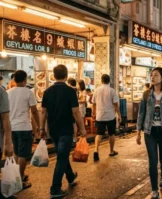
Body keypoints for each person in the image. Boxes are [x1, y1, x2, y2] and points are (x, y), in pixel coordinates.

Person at [40, 64, 86, 198]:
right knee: (61, 157)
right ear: (66, 76)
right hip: (66, 130)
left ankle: (71, 177)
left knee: (62, 154)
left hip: (53, 130)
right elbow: (76, 112)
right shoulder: (71, 91)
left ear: (53, 76)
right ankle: (55, 189)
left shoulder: (47, 91)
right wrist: (82, 128)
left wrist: (42, 129)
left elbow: (43, 112)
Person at [136, 67, 162, 199]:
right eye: (151, 75)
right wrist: (138, 132)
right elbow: (141, 113)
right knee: (152, 161)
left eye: (155, 75)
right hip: (150, 132)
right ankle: (154, 190)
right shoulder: (146, 94)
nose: (152, 77)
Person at [7, 70, 40, 189]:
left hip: (12, 127)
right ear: (25, 80)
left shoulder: (8, 92)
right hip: (24, 127)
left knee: (16, 153)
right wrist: (38, 126)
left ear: (14, 80)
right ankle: (20, 180)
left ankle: (17, 176)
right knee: (23, 155)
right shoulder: (28, 92)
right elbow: (34, 111)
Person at [92, 74, 122, 161]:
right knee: (111, 134)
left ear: (101, 80)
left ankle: (96, 150)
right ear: (109, 81)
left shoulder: (96, 90)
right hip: (110, 116)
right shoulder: (112, 91)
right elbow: (116, 105)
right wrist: (119, 115)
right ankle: (111, 151)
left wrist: (94, 113)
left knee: (99, 134)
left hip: (100, 116)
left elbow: (94, 103)